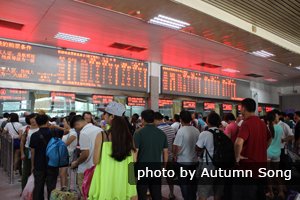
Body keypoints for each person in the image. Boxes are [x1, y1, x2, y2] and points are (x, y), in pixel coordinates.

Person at [89, 102, 137, 199]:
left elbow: (95, 161)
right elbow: (134, 161)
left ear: (112, 116)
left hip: (106, 181)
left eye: (105, 113)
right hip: (123, 182)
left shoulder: (102, 136)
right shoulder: (129, 137)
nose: (103, 116)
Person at [233, 98, 271, 200]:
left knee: (247, 195)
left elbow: (238, 143)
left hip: (248, 167)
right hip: (261, 166)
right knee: (260, 194)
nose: (240, 111)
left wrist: (237, 156)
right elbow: (270, 138)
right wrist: (262, 149)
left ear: (244, 108)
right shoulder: (262, 123)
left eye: (241, 108)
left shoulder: (246, 123)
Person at [134, 109, 168, 200]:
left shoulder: (138, 133)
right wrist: (164, 167)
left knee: (141, 194)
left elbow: (135, 154)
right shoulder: (162, 134)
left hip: (142, 169)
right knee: (156, 194)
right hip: (156, 168)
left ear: (143, 119)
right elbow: (165, 152)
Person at [70, 115, 103, 196]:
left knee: (85, 194)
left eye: (75, 127)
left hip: (86, 169)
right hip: (99, 168)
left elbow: (85, 154)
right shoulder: (100, 130)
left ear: (77, 125)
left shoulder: (84, 133)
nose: (76, 130)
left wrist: (76, 163)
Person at [196, 112, 224, 200]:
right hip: (221, 166)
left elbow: (198, 148)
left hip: (208, 166)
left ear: (208, 121)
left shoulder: (205, 134)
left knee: (203, 192)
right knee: (217, 192)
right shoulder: (222, 133)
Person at [30, 114, 58, 200]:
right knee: (52, 187)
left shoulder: (34, 135)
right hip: (52, 164)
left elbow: (33, 151)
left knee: (38, 187)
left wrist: (32, 165)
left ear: (37, 123)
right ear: (47, 122)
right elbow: (67, 130)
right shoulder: (54, 132)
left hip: (39, 164)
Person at [173, 110, 200, 200]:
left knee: (184, 184)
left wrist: (175, 155)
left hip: (183, 162)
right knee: (193, 183)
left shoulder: (181, 131)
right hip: (194, 161)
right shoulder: (196, 131)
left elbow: (177, 147)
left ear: (181, 119)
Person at [154, 112, 176, 199]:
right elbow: (173, 141)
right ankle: (171, 193)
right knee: (170, 177)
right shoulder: (170, 128)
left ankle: (157, 194)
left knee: (157, 178)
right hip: (170, 156)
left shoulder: (158, 130)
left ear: (155, 120)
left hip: (160, 158)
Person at [265, 111, 284, 199]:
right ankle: (281, 192)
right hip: (277, 152)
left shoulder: (267, 128)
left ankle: (271, 193)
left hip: (268, 152)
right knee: (276, 172)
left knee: (268, 173)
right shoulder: (280, 128)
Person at [20, 113, 39, 191]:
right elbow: (22, 141)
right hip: (28, 151)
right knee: (25, 172)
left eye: (34, 118)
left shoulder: (41, 128)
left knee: (37, 172)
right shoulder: (27, 129)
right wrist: (22, 153)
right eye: (31, 118)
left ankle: (35, 191)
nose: (33, 120)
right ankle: (24, 190)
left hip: (38, 152)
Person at [60, 116, 78, 190]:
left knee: (64, 174)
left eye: (64, 121)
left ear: (69, 122)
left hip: (69, 155)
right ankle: (64, 189)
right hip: (64, 154)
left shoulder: (73, 133)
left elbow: (65, 144)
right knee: (63, 174)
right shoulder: (68, 131)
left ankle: (66, 190)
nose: (63, 123)